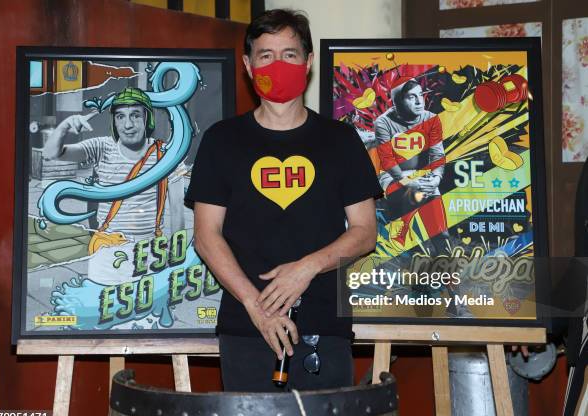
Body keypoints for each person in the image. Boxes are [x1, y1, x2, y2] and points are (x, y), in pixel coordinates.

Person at [185, 9, 382, 392]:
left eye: (290, 54)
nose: (278, 64)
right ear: (247, 64)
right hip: (247, 328)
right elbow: (207, 236)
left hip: (325, 328)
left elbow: (365, 232)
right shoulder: (221, 140)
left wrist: (305, 268)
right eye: (266, 54)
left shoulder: (340, 140)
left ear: (308, 62)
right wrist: (258, 307)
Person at [44, 87, 183, 284]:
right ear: (114, 122)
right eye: (120, 117)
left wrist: (176, 258)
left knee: (148, 314)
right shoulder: (101, 147)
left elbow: (177, 209)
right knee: (102, 310)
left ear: (147, 119)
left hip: (150, 252)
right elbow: (51, 153)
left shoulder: (167, 154)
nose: (128, 124)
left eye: (135, 115)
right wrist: (64, 127)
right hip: (107, 253)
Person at [372, 77, 449, 254]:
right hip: (391, 176)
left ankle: (442, 248)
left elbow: (437, 154)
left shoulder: (431, 118)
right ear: (398, 100)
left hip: (423, 176)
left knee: (431, 192)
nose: (419, 100)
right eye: (411, 96)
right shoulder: (383, 122)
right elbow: (387, 160)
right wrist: (406, 180)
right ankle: (403, 230)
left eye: (420, 95)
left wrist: (436, 178)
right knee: (418, 191)